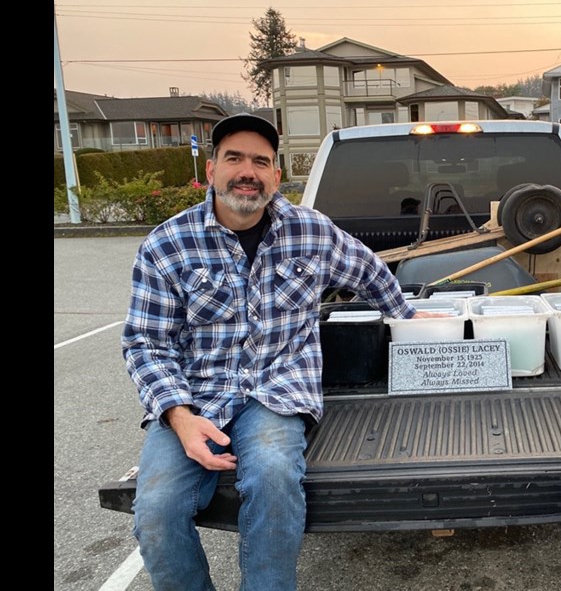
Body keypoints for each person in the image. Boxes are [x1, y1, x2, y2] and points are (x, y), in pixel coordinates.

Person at [121, 112, 440, 591]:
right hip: (195, 398)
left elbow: (368, 270)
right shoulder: (166, 244)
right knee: (156, 510)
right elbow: (147, 342)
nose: (247, 171)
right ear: (211, 171)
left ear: (275, 174)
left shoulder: (312, 231)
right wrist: (180, 419)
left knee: (272, 480)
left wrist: (410, 316)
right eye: (234, 158)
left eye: (260, 161)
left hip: (278, 391)